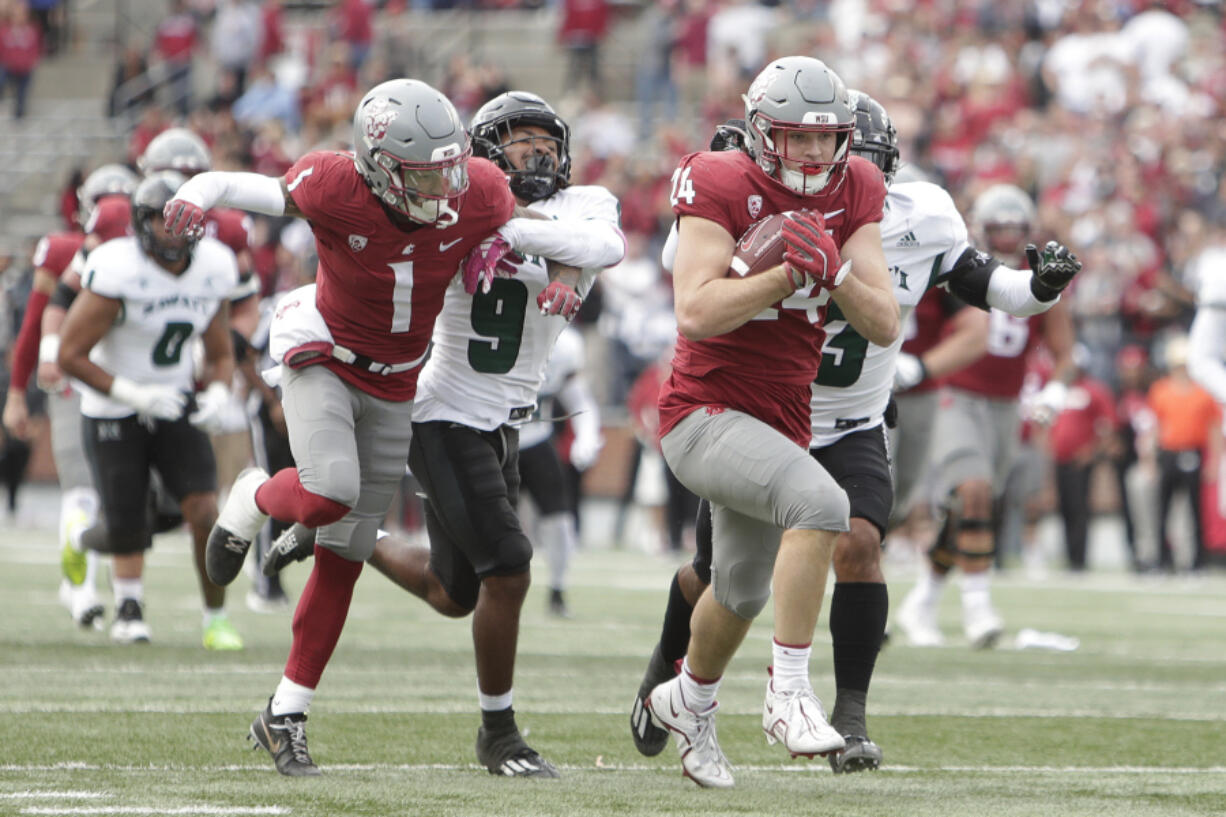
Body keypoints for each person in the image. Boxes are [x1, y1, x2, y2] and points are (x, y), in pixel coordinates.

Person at [630, 91, 1083, 777]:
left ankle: (846, 714)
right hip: (753, 411)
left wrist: (1041, 287)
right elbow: (683, 270)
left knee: (859, 541)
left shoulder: (912, 216)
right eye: (809, 152)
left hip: (850, 418)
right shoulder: (757, 198)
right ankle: (671, 682)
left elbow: (987, 292)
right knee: (722, 575)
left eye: (848, 157)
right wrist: (732, 197)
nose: (827, 173)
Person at [252, 90, 624, 776]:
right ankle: (500, 734)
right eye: (518, 142)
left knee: (454, 594)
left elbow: (604, 245)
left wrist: (522, 238)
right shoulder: (449, 206)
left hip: (506, 424)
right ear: (481, 154)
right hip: (441, 413)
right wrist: (511, 235)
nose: (537, 152)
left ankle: (348, 534)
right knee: (509, 566)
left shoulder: (582, 205)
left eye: (546, 140)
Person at [162, 78, 517, 777]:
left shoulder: (478, 189)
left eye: (450, 166)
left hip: (396, 377)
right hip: (323, 352)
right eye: (426, 173)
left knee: (347, 548)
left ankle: (284, 712)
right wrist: (195, 192)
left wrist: (574, 255)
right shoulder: (333, 183)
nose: (447, 186)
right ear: (380, 167)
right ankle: (256, 496)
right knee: (329, 491)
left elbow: (541, 230)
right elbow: (248, 188)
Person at [634, 57, 900, 790]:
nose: (815, 155)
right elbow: (695, 309)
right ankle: (788, 693)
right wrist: (785, 275)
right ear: (759, 133)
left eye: (828, 139)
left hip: (782, 420)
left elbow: (884, 323)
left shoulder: (859, 187)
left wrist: (837, 273)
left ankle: (686, 698)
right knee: (823, 505)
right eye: (795, 138)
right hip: (703, 411)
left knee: (742, 588)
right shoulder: (719, 180)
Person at [56, 172, 244, 648]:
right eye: (162, 220)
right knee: (125, 528)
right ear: (140, 224)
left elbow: (220, 353)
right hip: (112, 407)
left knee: (204, 510)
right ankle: (84, 545)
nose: (172, 231)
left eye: (181, 221)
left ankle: (215, 619)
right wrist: (134, 395)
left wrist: (219, 393)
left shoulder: (214, 267)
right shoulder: (117, 267)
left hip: (175, 398)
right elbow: (70, 355)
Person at [896, 184, 1077, 649]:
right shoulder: (964, 265)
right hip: (956, 394)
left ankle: (924, 599)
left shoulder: (1037, 277)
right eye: (997, 228)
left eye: (1015, 228)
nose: (1005, 237)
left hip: (1004, 404)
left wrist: (1055, 388)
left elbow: (1063, 350)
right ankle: (979, 609)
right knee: (973, 491)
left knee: (971, 507)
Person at [4, 163, 137, 630]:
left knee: (116, 492)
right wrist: (17, 393)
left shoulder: (154, 257)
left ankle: (100, 587)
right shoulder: (62, 251)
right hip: (73, 381)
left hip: (126, 383)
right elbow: (35, 323)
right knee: (82, 486)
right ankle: (81, 590)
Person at [1148, 334, 1218, 572]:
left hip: (1192, 453)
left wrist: (1214, 461)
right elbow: (1154, 428)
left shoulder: (1202, 393)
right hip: (1168, 453)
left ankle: (1197, 562)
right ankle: (1163, 560)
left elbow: (1214, 430)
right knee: (1163, 510)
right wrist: (1150, 459)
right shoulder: (1160, 390)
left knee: (1194, 511)